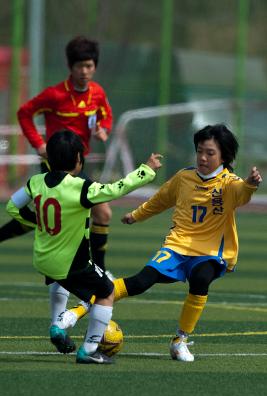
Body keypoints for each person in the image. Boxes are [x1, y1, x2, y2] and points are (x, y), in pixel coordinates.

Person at [62, 124, 262, 362]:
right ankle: (80, 309)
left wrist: (250, 183)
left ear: (224, 156)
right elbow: (160, 200)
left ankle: (179, 340)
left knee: (201, 279)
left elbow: (242, 193)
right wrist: (136, 215)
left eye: (210, 153)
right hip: (177, 246)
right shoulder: (184, 177)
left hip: (208, 251)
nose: (203, 157)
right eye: (200, 151)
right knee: (140, 281)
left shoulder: (229, 183)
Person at [6, 129, 162, 364]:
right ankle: (88, 350)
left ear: (49, 158)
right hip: (71, 263)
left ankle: (58, 325)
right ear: (79, 159)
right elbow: (116, 188)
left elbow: (12, 207)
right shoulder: (81, 187)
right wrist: (146, 170)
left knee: (59, 280)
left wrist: (37, 222)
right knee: (107, 291)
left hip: (43, 260)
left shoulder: (35, 182)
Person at [0, 36, 114, 351]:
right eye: (80, 66)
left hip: (77, 168)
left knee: (99, 213)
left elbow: (105, 114)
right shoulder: (54, 94)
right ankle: (68, 305)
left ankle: (94, 268)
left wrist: (104, 128)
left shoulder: (97, 93)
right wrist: (38, 144)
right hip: (55, 169)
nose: (85, 71)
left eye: (89, 66)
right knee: (51, 228)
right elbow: (25, 113)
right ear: (70, 67)